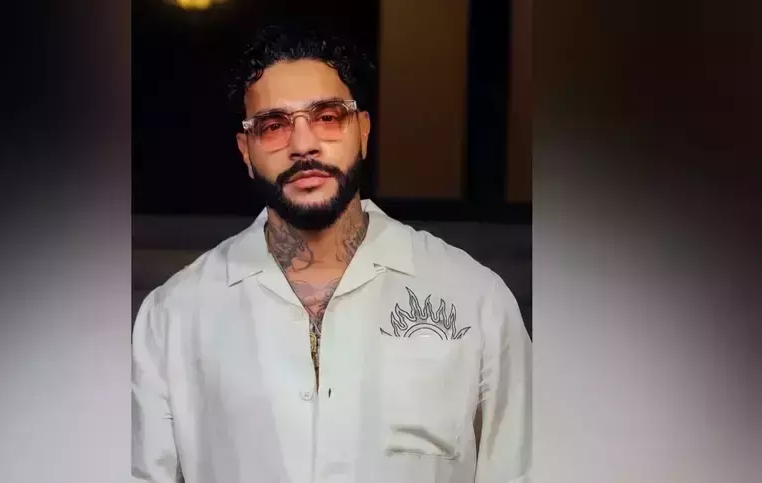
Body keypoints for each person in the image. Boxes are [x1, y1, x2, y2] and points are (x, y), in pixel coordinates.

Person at [132, 24, 531, 483]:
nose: (303, 145)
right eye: (274, 125)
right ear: (246, 150)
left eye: (327, 116)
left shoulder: (473, 297)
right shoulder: (176, 314)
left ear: (363, 130)